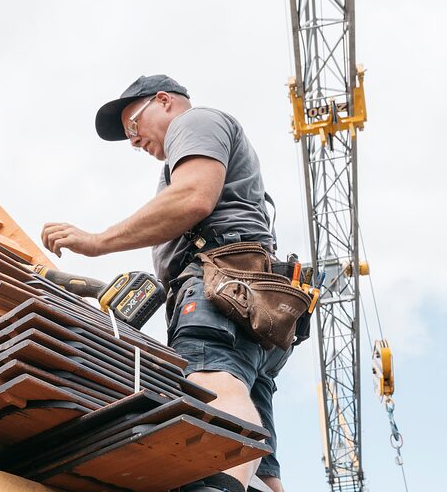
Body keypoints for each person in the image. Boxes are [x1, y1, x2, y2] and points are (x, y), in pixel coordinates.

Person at [41, 74, 291, 492]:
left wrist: (96, 241)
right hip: (253, 305)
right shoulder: (199, 142)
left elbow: (193, 196)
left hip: (217, 285)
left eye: (134, 126)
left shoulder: (196, 123)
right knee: (257, 440)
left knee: (210, 385)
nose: (135, 142)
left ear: (164, 101)